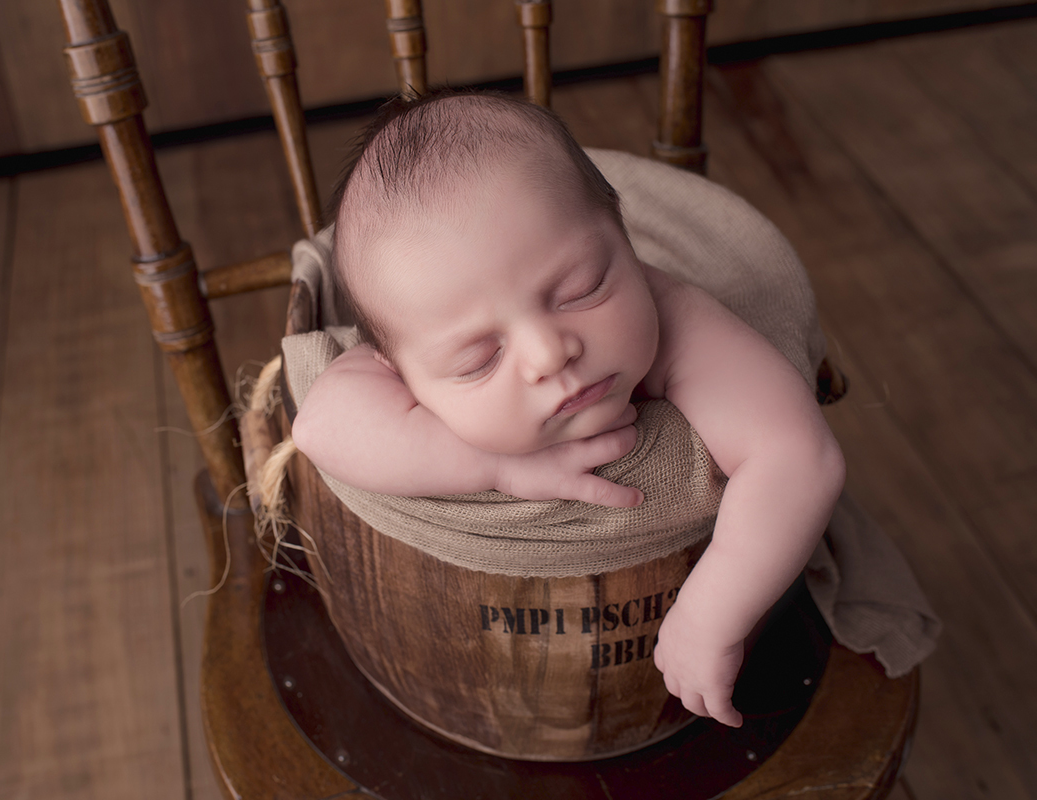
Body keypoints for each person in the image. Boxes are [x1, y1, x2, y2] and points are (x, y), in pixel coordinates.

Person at [291, 90, 845, 728]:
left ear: (623, 232)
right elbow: (319, 425)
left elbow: (798, 455)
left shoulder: (678, 319)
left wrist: (711, 614)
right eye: (478, 360)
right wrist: (492, 466)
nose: (549, 353)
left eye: (581, 288)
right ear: (398, 372)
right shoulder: (395, 356)